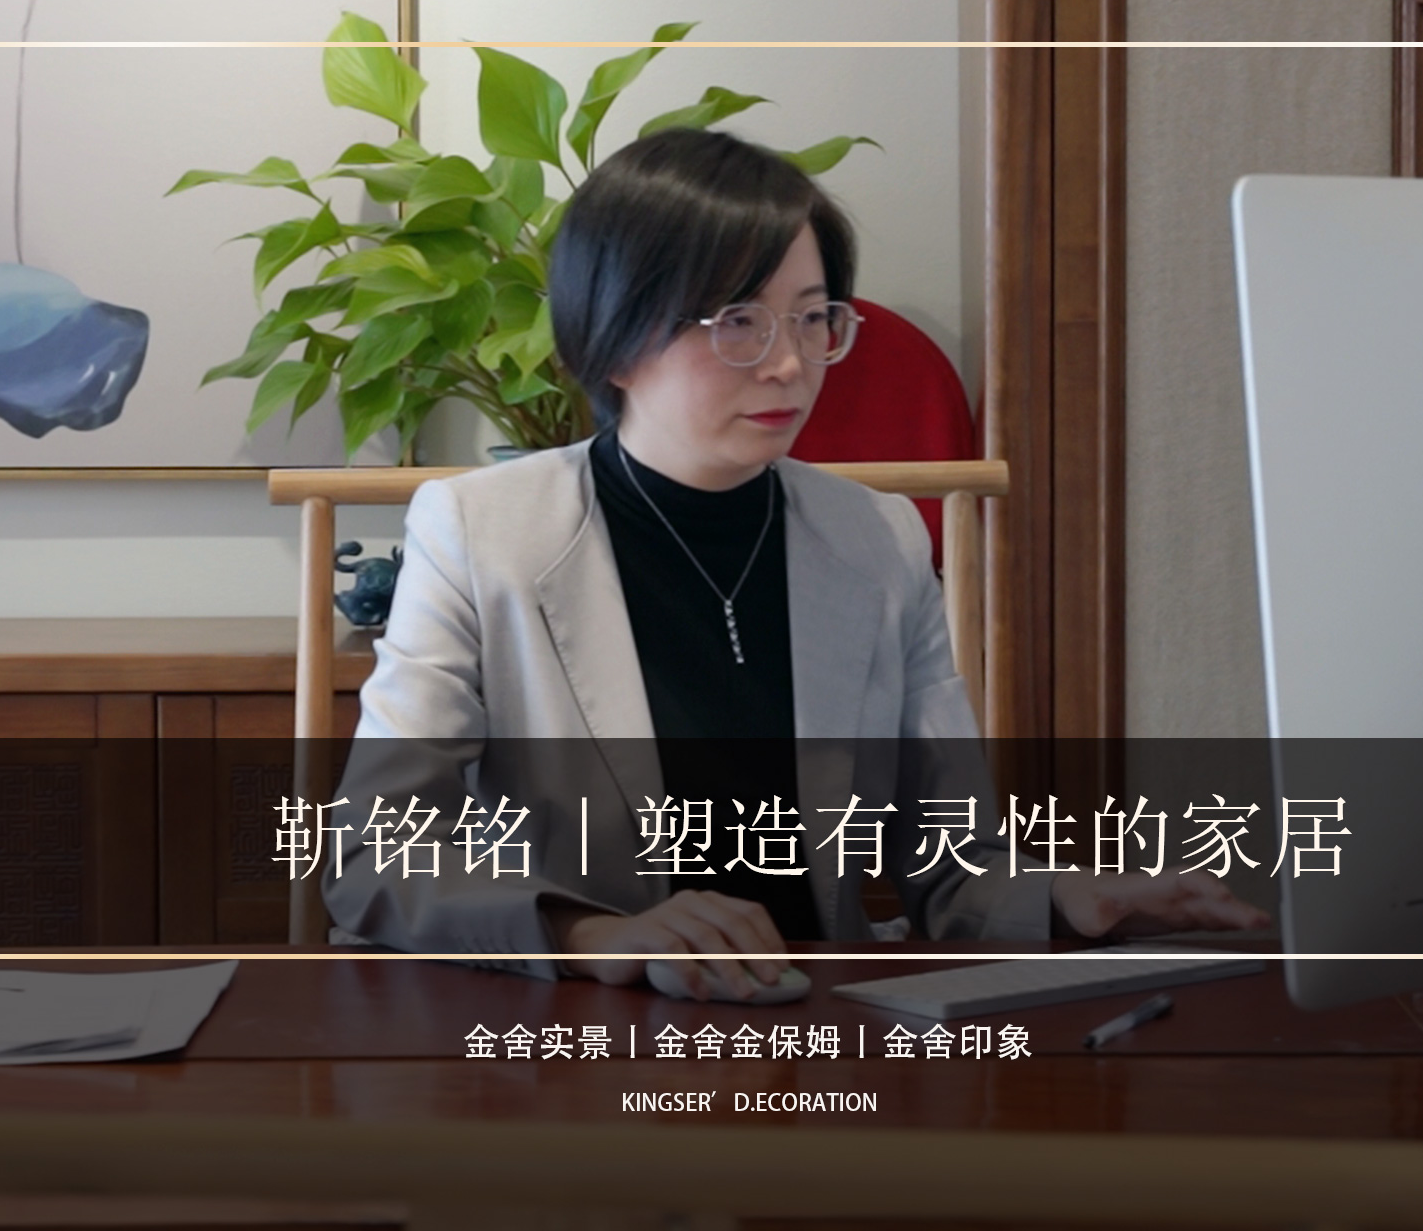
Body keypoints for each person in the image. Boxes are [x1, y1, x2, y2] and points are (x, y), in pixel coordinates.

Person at [324, 128, 1267, 996]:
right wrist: (594, 936)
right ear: (613, 336)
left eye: (813, 318)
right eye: (739, 321)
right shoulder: (482, 530)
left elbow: (952, 863)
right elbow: (375, 853)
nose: (789, 363)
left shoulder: (877, 540)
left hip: (818, 1031)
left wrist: (1067, 900)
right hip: (581, 1042)